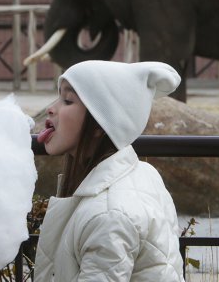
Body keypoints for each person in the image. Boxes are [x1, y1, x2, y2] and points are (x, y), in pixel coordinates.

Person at [33, 60, 185, 282]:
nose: (51, 108)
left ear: (98, 126)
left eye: (68, 100)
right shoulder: (141, 173)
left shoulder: (108, 214)